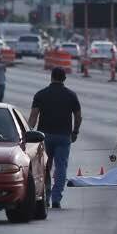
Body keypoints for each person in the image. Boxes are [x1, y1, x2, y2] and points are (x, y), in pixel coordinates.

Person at [29, 67, 82, 209]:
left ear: (51, 77)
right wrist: (75, 131)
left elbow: (34, 116)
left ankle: (45, 195)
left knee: (45, 167)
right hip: (64, 136)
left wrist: (29, 133)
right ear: (64, 78)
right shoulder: (71, 95)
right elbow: (78, 116)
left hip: (44, 136)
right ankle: (56, 198)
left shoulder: (41, 94)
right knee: (61, 167)